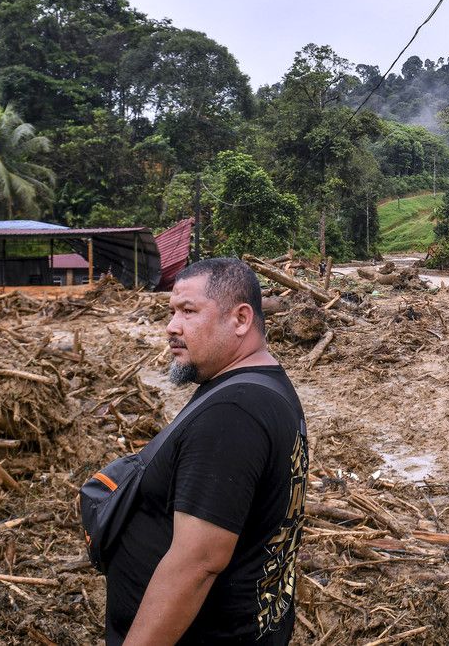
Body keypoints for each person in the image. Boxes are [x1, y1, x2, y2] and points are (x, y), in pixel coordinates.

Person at [104, 257, 307, 645]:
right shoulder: (262, 385)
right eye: (172, 312)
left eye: (188, 311)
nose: (171, 327)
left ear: (241, 319)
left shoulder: (233, 413)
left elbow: (197, 564)